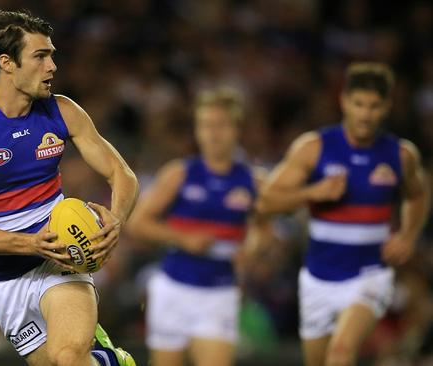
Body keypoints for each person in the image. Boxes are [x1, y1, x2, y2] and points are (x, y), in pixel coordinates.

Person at [0, 9, 139, 366]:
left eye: (52, 55)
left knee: (68, 358)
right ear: (7, 63)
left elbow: (122, 175)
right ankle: (110, 361)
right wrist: (29, 243)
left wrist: (116, 220)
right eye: (41, 56)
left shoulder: (63, 111)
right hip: (1, 282)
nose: (52, 66)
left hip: (60, 259)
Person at [257, 62, 430, 366]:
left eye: (374, 106)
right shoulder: (313, 148)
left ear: (386, 107)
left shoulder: (400, 155)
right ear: (344, 102)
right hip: (318, 280)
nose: (366, 114)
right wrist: (312, 193)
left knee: (341, 352)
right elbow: (267, 202)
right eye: (359, 104)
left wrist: (409, 234)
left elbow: (418, 193)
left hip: (369, 275)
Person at [127, 87, 270, 366]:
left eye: (221, 125)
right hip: (173, 289)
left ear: (236, 129)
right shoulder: (179, 173)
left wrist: (252, 249)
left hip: (219, 292)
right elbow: (137, 223)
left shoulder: (254, 182)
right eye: (205, 125)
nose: (213, 133)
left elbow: (263, 230)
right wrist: (183, 238)